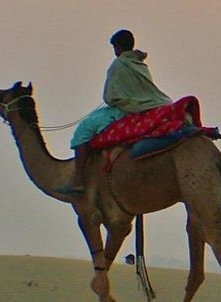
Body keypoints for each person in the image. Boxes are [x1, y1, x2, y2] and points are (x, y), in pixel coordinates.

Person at [56, 29, 172, 195]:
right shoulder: (139, 64)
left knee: (84, 129)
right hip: (149, 105)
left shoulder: (118, 65)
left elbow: (111, 97)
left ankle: (79, 180)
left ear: (117, 47)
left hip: (128, 110)